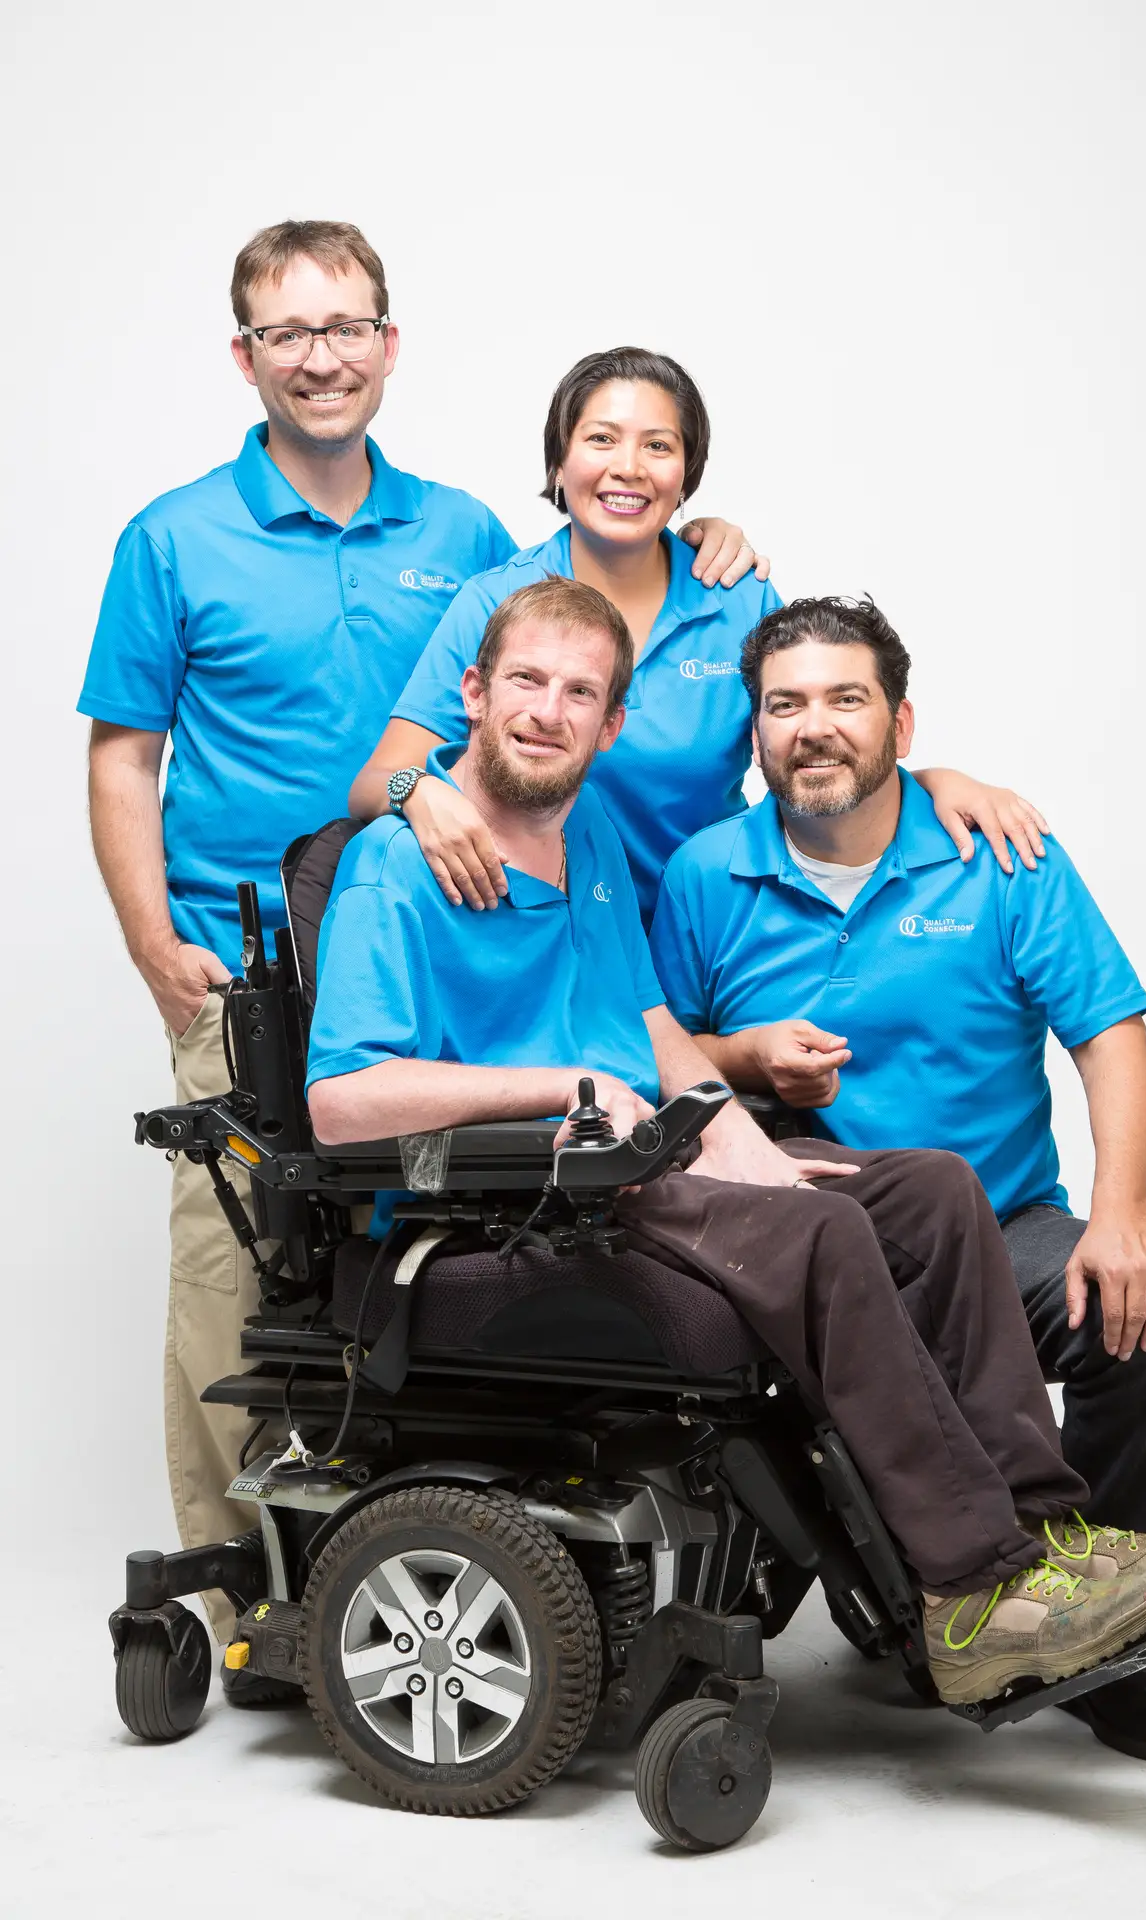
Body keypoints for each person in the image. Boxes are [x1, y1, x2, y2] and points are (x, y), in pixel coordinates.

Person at [307, 574, 1146, 1710]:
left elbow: (651, 1030)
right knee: (824, 1232)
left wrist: (748, 1147)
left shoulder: (585, 834)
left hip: (638, 1165)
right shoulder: (392, 868)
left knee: (933, 1190)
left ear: (611, 723)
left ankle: (1044, 1541)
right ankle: (972, 1587)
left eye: (578, 692)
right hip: (527, 1200)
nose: (548, 711)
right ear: (473, 692)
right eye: (525, 683)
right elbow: (341, 1100)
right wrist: (571, 1083)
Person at [77, 220, 761, 1653]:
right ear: (247, 356)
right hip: (246, 958)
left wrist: (698, 539)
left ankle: (418, 1539)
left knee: (463, 1236)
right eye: (288, 333)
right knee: (244, 1270)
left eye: (346, 329)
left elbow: (590, 609)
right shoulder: (175, 537)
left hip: (460, 945)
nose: (320, 357)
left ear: (391, 345)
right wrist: (152, 941)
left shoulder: (458, 537)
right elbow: (126, 752)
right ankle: (243, 1592)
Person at [648, 594, 1146, 1760]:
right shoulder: (705, 875)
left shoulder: (998, 856)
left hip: (1000, 1229)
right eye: (784, 704)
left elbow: (1111, 1042)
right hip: (810, 1244)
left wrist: (1119, 1219)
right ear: (752, 735)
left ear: (900, 724)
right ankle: (947, 1587)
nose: (814, 727)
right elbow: (642, 1054)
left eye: (843, 700)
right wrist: (741, 1056)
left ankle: (1108, 1640)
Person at [350, 347, 1047, 927]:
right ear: (558, 465)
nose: (629, 466)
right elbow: (373, 784)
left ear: (686, 475)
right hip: (539, 940)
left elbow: (816, 747)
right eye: (601, 439)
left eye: (659, 445)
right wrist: (421, 792)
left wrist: (930, 782)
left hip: (711, 935)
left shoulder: (738, 599)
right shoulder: (498, 599)